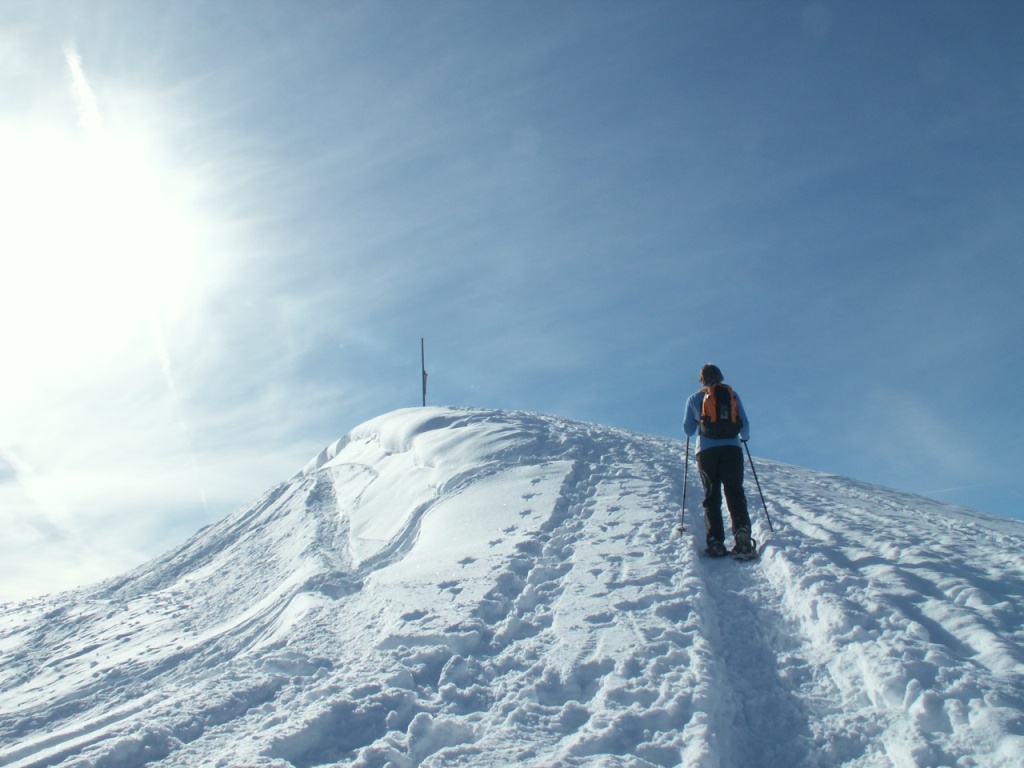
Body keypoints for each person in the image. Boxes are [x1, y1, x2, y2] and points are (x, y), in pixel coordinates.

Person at [682, 364, 755, 558]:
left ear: (702, 379)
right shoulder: (732, 395)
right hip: (732, 449)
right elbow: (745, 427)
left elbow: (688, 430)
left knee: (711, 495)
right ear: (720, 377)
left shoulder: (694, 398)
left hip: (706, 451)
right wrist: (741, 437)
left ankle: (715, 541)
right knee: (735, 492)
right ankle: (742, 533)